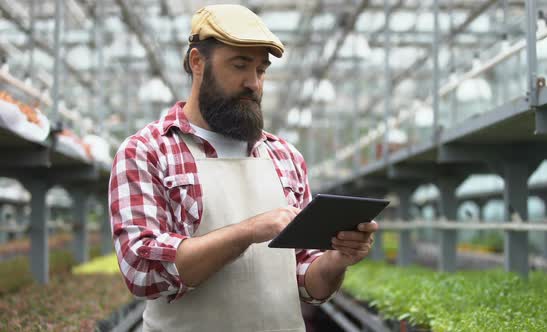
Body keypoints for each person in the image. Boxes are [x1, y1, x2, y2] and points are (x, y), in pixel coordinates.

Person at [108, 4, 378, 332]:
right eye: (240, 65)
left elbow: (306, 282)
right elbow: (143, 271)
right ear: (198, 62)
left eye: (261, 70)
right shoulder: (149, 150)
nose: (254, 83)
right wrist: (247, 231)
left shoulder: (285, 157)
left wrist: (337, 261)